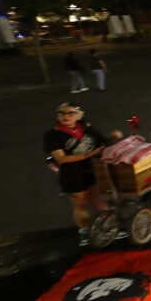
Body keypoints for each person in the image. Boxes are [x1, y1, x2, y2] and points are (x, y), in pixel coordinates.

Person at [45, 103, 112, 243]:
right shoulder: (52, 135)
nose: (66, 116)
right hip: (71, 173)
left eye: (71, 113)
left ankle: (109, 227)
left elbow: (103, 142)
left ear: (80, 115)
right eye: (62, 113)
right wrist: (88, 155)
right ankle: (85, 232)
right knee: (80, 203)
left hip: (93, 170)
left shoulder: (88, 129)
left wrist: (112, 137)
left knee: (99, 200)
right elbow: (61, 158)